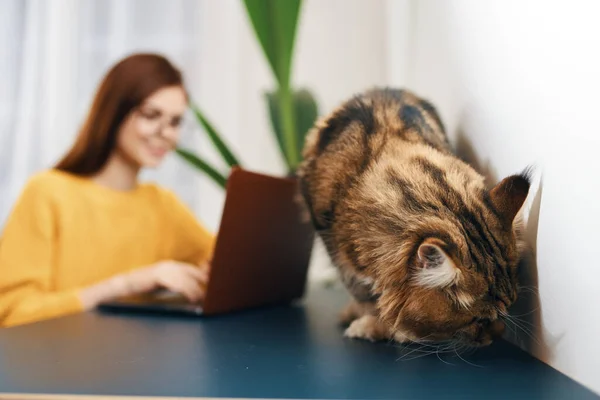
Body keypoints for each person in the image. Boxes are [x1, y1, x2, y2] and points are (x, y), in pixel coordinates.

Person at [0, 53, 215, 328]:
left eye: (175, 122)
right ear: (114, 111)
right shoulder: (47, 192)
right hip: (58, 363)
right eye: (151, 115)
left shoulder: (161, 204)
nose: (166, 133)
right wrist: (126, 284)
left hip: (134, 363)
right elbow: (12, 312)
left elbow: (221, 259)